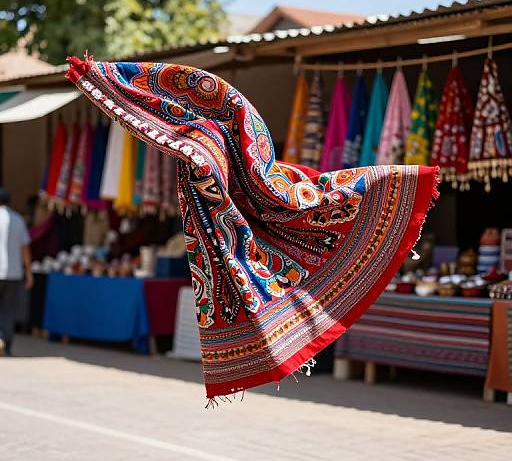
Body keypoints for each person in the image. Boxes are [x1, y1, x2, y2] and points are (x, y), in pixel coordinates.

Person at [67, 56, 438, 400]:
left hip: (262, 184)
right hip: (246, 175)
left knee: (295, 199)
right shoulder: (209, 141)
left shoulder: (222, 140)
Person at [0, 188, 33, 355]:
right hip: (13, 272)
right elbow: (25, 249)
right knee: (8, 309)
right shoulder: (18, 220)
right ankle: (7, 343)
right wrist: (29, 272)